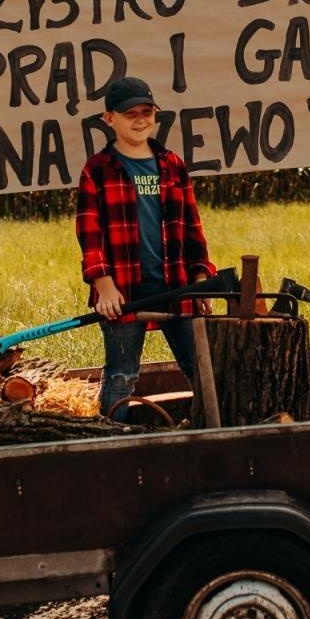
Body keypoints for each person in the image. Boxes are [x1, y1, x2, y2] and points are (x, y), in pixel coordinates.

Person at [75, 76, 215, 418]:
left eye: (146, 112)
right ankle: (112, 440)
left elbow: (192, 227)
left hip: (176, 288)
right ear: (109, 119)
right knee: (122, 376)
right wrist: (103, 284)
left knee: (202, 369)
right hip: (125, 293)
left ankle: (214, 429)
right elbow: (89, 232)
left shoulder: (172, 164)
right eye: (129, 114)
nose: (140, 120)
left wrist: (201, 279)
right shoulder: (98, 170)